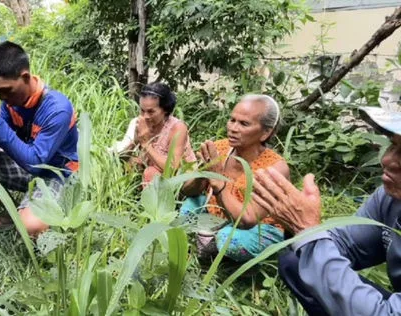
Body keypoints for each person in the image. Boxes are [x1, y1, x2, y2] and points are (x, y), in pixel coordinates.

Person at [253, 106, 401, 315]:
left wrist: (307, 229)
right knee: (298, 258)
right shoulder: (389, 199)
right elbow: (345, 242)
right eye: (393, 145)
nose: (386, 160)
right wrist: (301, 227)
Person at [0, 41, 79, 236]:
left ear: (26, 77)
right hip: (25, 164)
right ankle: (13, 210)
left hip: (57, 174)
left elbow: (36, 163)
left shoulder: (57, 108)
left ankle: (41, 211)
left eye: (6, 90)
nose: (2, 97)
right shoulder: (11, 101)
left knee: (30, 226)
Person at [181, 94, 290, 262]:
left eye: (244, 124)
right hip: (221, 214)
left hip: (259, 227)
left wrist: (218, 182)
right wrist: (203, 173)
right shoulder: (220, 148)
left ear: (265, 133)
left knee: (229, 240)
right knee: (189, 207)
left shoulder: (274, 168)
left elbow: (247, 220)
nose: (233, 128)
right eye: (232, 120)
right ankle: (211, 242)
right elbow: (188, 191)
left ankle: (223, 252)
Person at [125, 82, 196, 185]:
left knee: (151, 173)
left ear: (165, 110)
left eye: (151, 112)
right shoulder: (141, 124)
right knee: (128, 163)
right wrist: (135, 141)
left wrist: (145, 144)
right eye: (142, 110)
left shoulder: (177, 128)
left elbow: (172, 168)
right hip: (153, 171)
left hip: (181, 181)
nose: (145, 116)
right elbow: (124, 156)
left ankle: (151, 201)